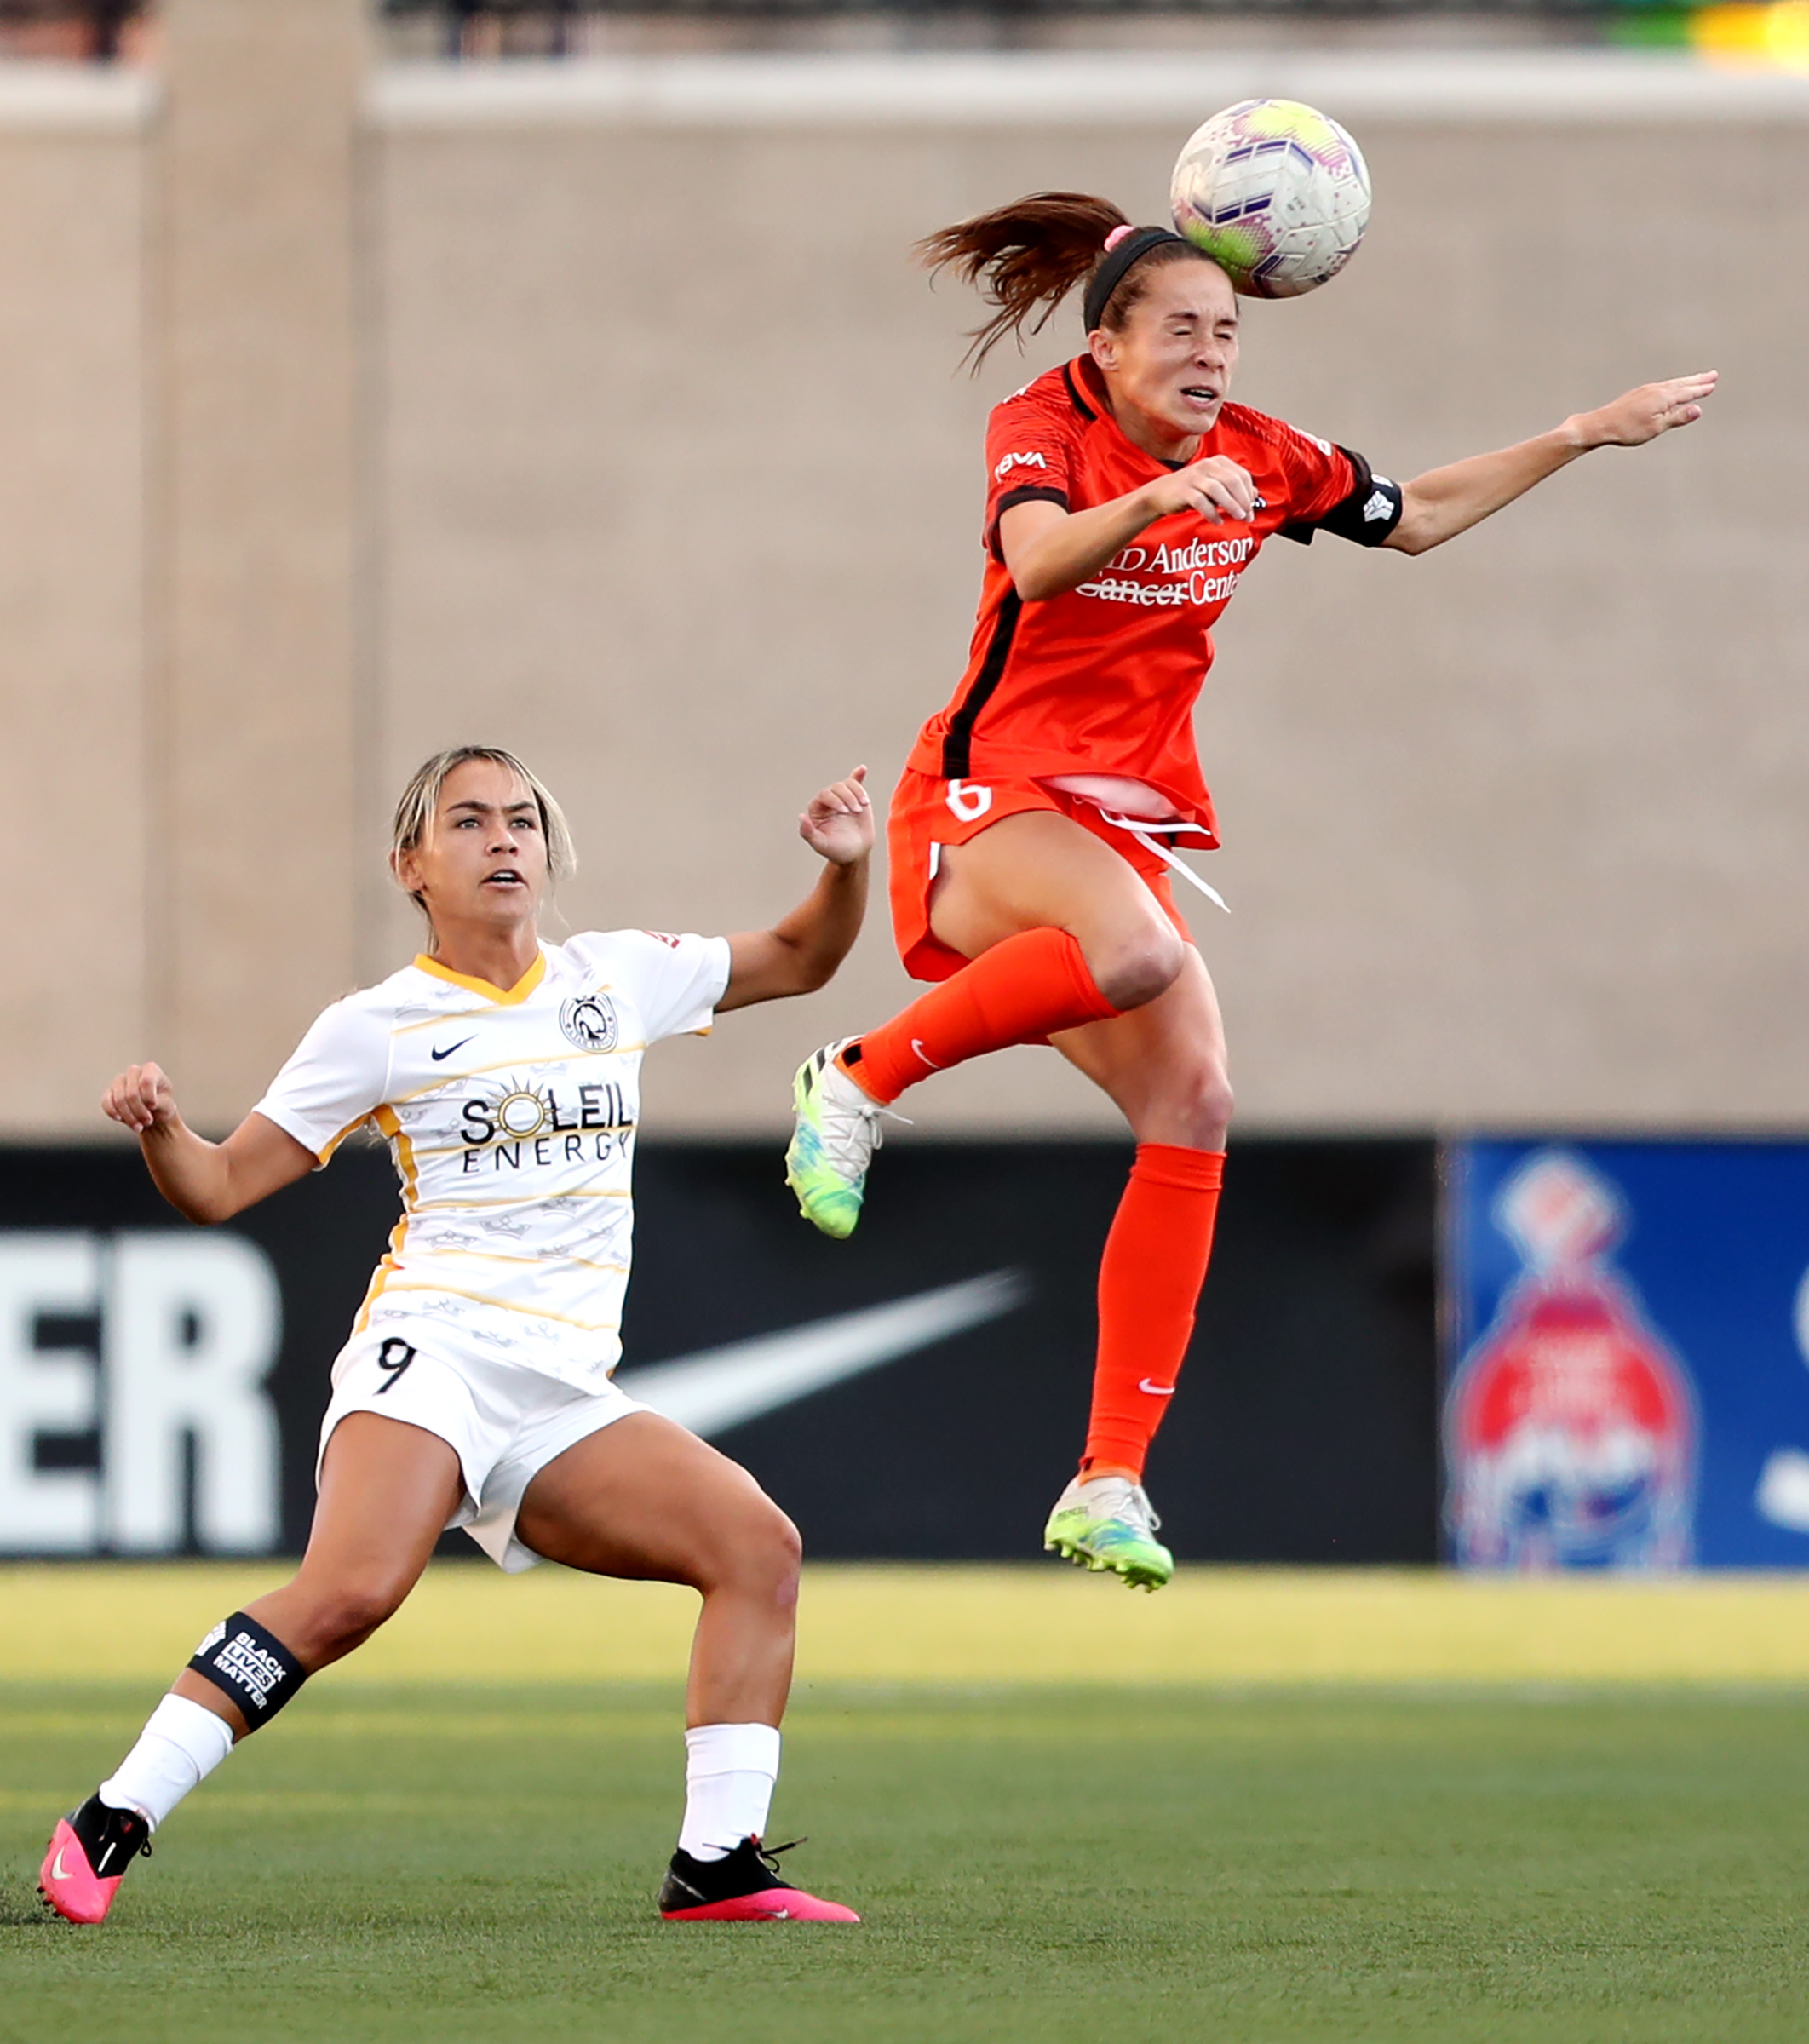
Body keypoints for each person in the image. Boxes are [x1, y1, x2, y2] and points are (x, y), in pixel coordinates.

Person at [784, 192, 1716, 1591]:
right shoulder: (1048, 426)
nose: (1212, 355)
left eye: (1229, 331)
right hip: (986, 798)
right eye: (1181, 330)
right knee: (1142, 954)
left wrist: (1583, 433)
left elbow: (1416, 518)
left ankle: (1106, 1479)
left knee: (1197, 1102)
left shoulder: (1261, 458)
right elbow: (1036, 559)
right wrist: (1158, 494)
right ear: (1106, 344)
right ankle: (857, 1079)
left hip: (1121, 825)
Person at [42, 744, 874, 1927]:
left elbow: (803, 956)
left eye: (522, 819)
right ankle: (113, 1817)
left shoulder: (621, 975)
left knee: (758, 1549)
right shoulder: (376, 1025)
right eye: (470, 820)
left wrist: (846, 869)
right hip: (429, 1355)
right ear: (411, 866)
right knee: (353, 1594)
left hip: (564, 1392)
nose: (503, 839)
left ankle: (717, 1865)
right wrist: (163, 1127)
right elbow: (220, 1188)